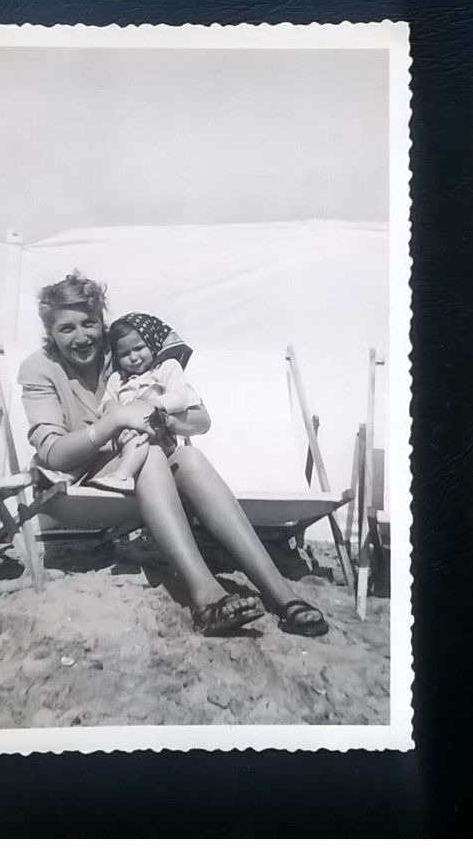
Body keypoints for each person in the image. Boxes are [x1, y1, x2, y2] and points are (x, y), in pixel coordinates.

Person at [17, 272, 329, 637]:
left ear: (102, 321)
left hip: (140, 475)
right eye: (67, 328)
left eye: (89, 323)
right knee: (149, 452)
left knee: (190, 459)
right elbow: (53, 453)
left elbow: (199, 418)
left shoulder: (122, 352)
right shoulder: (40, 369)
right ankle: (206, 596)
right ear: (50, 333)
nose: (82, 336)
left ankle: (281, 595)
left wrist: (160, 412)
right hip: (78, 484)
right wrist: (116, 419)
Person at [85, 312, 197, 494]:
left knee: (140, 434)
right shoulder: (117, 378)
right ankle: (72, 475)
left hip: (162, 433)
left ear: (152, 344)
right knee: (116, 439)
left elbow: (181, 397)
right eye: (124, 354)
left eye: (138, 348)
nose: (133, 357)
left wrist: (151, 404)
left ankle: (123, 475)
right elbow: (104, 405)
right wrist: (112, 407)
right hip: (127, 435)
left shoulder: (166, 368)